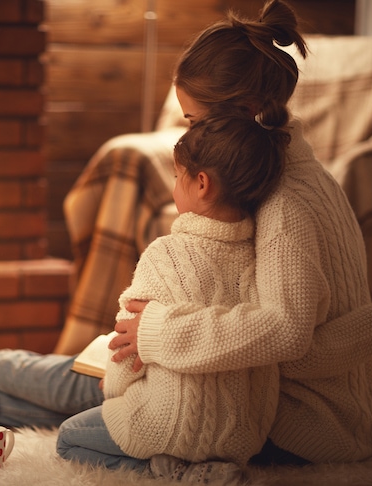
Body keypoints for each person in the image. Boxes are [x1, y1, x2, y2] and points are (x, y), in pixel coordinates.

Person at [0, 0, 372, 479]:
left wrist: (160, 336)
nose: (191, 136)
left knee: (108, 387)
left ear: (248, 107)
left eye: (195, 120)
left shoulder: (286, 201)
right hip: (272, 388)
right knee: (111, 373)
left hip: (311, 422)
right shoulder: (292, 174)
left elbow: (287, 331)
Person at [54, 109, 290, 478]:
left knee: (69, 438)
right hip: (245, 436)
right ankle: (206, 468)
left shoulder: (166, 254)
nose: (173, 187)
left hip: (171, 424)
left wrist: (115, 389)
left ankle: (171, 469)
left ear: (201, 183)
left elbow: (126, 348)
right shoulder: (263, 259)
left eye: (176, 177)